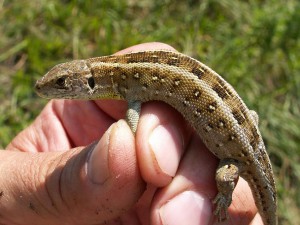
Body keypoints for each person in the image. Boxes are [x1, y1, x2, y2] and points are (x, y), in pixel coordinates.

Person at [1, 42, 263, 225]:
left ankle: (226, 194)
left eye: (62, 84)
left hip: (237, 159)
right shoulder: (123, 78)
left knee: (223, 178)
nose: (51, 88)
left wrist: (224, 196)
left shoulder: (124, 83)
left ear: (89, 81)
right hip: (243, 127)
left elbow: (134, 124)